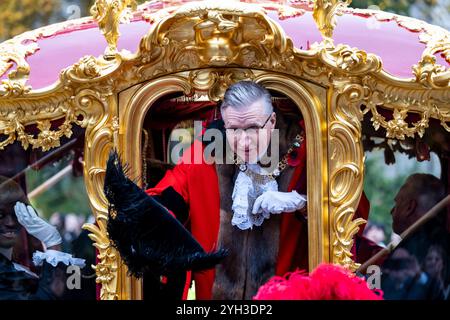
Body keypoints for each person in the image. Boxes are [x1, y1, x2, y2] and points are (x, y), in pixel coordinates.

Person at [106, 81, 310, 300]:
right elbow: (168, 194)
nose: (244, 141)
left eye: (252, 128)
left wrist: (304, 203)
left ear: (271, 121)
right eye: (234, 129)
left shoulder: (305, 151)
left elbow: (340, 214)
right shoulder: (203, 157)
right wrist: (143, 218)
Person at [0, 176, 85, 300]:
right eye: (1, 214)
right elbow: (53, 292)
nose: (11, 222)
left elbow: (73, 289)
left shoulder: (15, 266)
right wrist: (53, 245)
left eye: (16, 213)